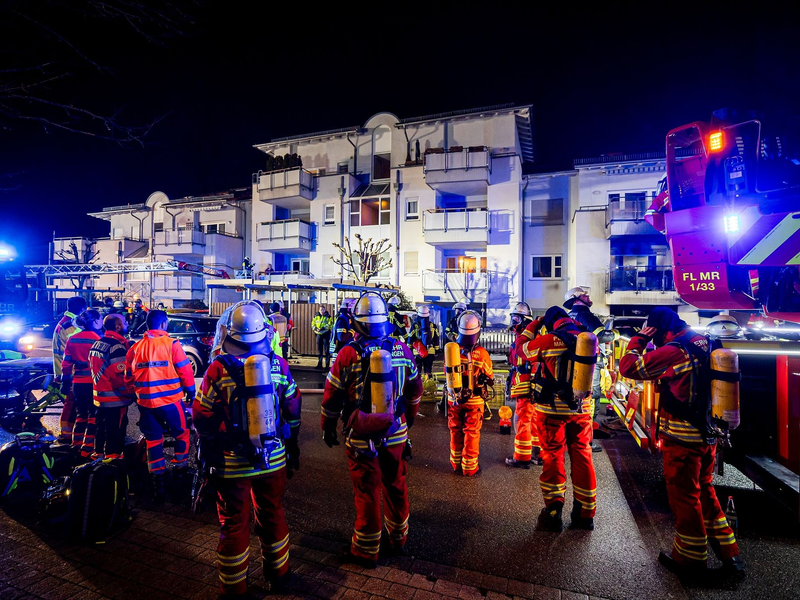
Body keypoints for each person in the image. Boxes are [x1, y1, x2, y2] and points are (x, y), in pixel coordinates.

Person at [618, 307, 744, 578]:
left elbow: (629, 367)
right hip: (708, 436)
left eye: (654, 335)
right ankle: (729, 555)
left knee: (685, 496)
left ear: (660, 331)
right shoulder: (706, 342)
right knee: (706, 491)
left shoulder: (674, 350)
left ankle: (689, 560)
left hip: (682, 439)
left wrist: (639, 339)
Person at [194, 302, 301, 596]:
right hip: (273, 458)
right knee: (273, 514)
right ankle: (279, 575)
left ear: (232, 335)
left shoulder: (218, 369)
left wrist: (211, 441)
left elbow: (201, 415)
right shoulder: (278, 365)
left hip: (232, 464)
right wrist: (291, 441)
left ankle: (234, 588)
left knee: (234, 524)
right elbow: (292, 407)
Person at [321, 292, 423, 568]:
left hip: (362, 437)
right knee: (396, 485)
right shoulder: (402, 350)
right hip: (396, 434)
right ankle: (399, 539)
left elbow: (331, 397)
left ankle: (365, 551)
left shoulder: (348, 353)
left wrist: (328, 426)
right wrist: (408, 419)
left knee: (367, 492)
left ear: (358, 323)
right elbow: (415, 390)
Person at [515, 306, 597, 532]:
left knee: (552, 457)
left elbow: (519, 351)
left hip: (552, 411)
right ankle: (585, 515)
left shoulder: (548, 340)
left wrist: (535, 324)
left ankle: (553, 512)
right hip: (582, 410)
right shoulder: (586, 338)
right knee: (583, 456)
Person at [125, 310, 196, 500]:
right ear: (164, 324)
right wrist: (191, 391)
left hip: (146, 404)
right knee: (182, 433)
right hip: (170, 402)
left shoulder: (135, 347)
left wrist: (136, 394)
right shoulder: (171, 344)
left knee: (153, 439)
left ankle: (158, 480)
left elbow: (128, 377)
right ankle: (180, 470)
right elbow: (185, 370)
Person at [564, 286, 617, 453]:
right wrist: (616, 332)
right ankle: (587, 441)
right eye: (585, 294)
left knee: (578, 401)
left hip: (577, 363)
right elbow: (601, 336)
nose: (588, 296)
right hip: (590, 365)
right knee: (591, 402)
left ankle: (575, 438)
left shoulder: (570, 315)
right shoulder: (585, 314)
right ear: (577, 299)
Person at [446, 310, 493, 477]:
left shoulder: (451, 351)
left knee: (455, 431)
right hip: (474, 402)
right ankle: (469, 467)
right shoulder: (482, 353)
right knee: (471, 432)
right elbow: (489, 375)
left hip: (454, 400)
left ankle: (455, 464)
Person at [89, 314, 135, 460]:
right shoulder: (116, 347)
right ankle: (112, 459)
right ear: (118, 326)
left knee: (100, 428)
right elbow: (120, 378)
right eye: (124, 323)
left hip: (99, 397)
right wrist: (130, 394)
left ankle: (99, 454)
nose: (127, 324)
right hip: (115, 399)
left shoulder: (98, 343)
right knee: (115, 430)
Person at [504, 302, 542, 468]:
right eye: (513, 317)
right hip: (525, 383)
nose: (514, 321)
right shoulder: (523, 336)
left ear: (526, 320)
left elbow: (534, 362)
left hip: (527, 385)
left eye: (517, 317)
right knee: (533, 419)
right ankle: (536, 455)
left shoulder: (530, 337)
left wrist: (533, 385)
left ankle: (521, 457)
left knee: (523, 419)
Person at [61, 309, 103, 458]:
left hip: (77, 382)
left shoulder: (72, 339)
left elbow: (66, 363)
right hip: (93, 383)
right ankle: (87, 448)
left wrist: (66, 381)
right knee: (93, 417)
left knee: (80, 414)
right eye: (100, 319)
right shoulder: (98, 339)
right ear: (95, 321)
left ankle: (76, 444)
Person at [53, 296, 87, 444]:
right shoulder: (70, 326)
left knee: (72, 402)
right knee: (72, 403)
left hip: (63, 368)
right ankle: (67, 433)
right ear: (82, 308)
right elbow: (79, 345)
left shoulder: (65, 322)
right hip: (70, 371)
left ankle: (69, 431)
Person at [409, 305, 439, 380]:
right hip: (430, 351)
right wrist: (436, 350)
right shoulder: (433, 326)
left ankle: (417, 385)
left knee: (417, 370)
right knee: (428, 370)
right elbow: (436, 338)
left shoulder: (415, 326)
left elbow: (410, 338)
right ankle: (429, 386)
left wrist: (409, 350)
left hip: (418, 352)